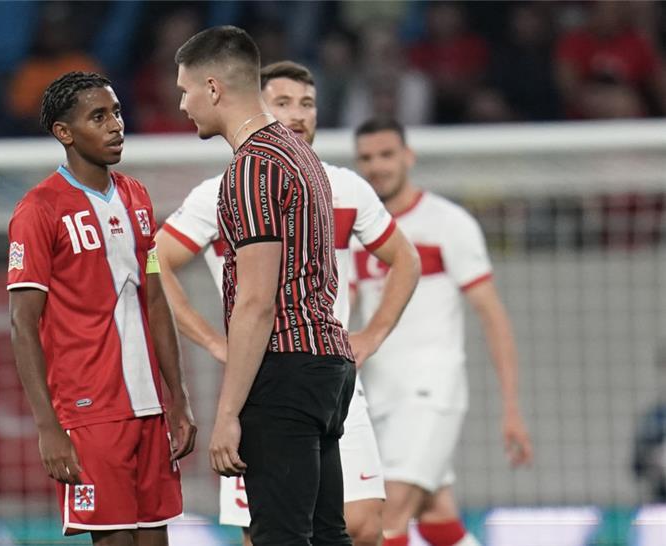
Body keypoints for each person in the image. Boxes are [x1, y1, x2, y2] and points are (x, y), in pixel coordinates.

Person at [157, 60, 420, 546]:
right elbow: (156, 263)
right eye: (284, 103)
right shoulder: (223, 189)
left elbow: (405, 259)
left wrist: (372, 335)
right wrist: (215, 342)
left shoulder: (337, 183)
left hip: (314, 365)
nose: (298, 115)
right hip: (269, 365)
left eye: (308, 103)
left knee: (352, 527)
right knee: (283, 531)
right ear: (260, 104)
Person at [174, 26, 368, 546]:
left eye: (185, 90)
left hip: (284, 367)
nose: (183, 104)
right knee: (328, 536)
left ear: (213, 88)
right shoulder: (300, 155)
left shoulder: (252, 168)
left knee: (280, 537)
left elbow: (258, 302)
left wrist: (228, 413)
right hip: (328, 363)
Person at [7, 71, 197, 545]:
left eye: (116, 112)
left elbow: (154, 299)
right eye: (99, 116)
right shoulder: (39, 210)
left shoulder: (136, 196)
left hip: (149, 405)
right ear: (64, 133)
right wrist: (49, 427)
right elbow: (22, 322)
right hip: (91, 411)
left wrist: (178, 398)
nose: (115, 125)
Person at [351, 118, 534, 546]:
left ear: (407, 157)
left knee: (384, 520)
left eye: (386, 155)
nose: (377, 166)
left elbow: (493, 315)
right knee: (437, 516)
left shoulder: (448, 223)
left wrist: (511, 406)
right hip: (377, 394)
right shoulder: (360, 229)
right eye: (366, 158)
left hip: (431, 393)